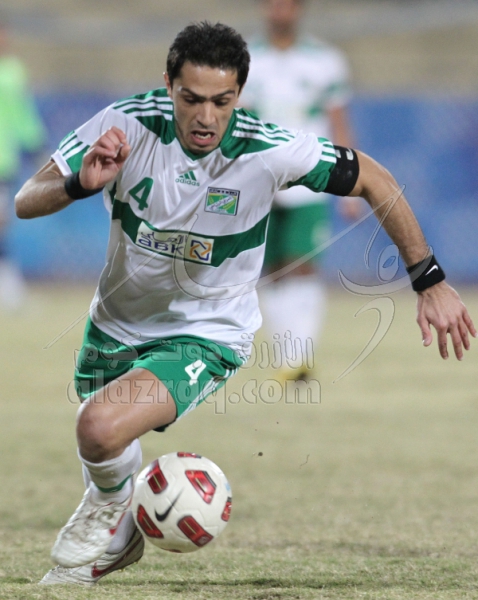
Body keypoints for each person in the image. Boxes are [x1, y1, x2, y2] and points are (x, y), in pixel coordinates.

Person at [15, 21, 475, 587]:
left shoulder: (268, 148)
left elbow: (374, 178)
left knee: (98, 426)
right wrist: (79, 185)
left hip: (207, 331)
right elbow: (25, 199)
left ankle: (109, 516)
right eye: (191, 99)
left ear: (240, 94)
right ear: (168, 85)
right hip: (118, 322)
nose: (206, 117)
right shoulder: (125, 124)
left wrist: (429, 279)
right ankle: (122, 524)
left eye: (222, 101)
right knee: (103, 439)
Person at [241, 0, 361, 379]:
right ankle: (287, 358)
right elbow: (239, 121)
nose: (280, 10)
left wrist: (350, 184)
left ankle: (300, 355)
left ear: (299, 9)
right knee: (273, 267)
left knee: (303, 262)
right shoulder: (246, 58)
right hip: (260, 176)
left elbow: (339, 122)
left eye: (288, 4)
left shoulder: (326, 60)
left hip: (311, 174)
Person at [0, 17, 46, 308]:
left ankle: (7, 286)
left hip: (3, 161)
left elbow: (23, 115)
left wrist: (36, 146)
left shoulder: (13, 71)